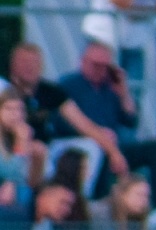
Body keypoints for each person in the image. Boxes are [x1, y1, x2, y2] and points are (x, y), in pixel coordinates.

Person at [7, 44, 135, 196]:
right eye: (24, 62)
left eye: (34, 62)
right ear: (12, 64)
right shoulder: (4, 90)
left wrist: (114, 152)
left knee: (91, 145)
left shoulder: (50, 91)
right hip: (11, 149)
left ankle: (79, 203)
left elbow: (84, 124)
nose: (29, 67)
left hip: (48, 148)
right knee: (36, 153)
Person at [56, 41, 156, 205]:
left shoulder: (110, 87)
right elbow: (61, 123)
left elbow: (130, 121)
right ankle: (100, 204)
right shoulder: (67, 85)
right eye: (95, 65)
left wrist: (124, 93)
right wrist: (99, 136)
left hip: (115, 148)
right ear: (83, 61)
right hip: (85, 147)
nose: (100, 70)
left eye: (105, 66)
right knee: (98, 148)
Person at [0, 87, 47, 211]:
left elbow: (33, 184)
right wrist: (21, 143)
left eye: (19, 109)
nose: (15, 114)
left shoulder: (25, 138)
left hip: (18, 200)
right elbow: (6, 171)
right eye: (9, 108)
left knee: (39, 149)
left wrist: (36, 156)